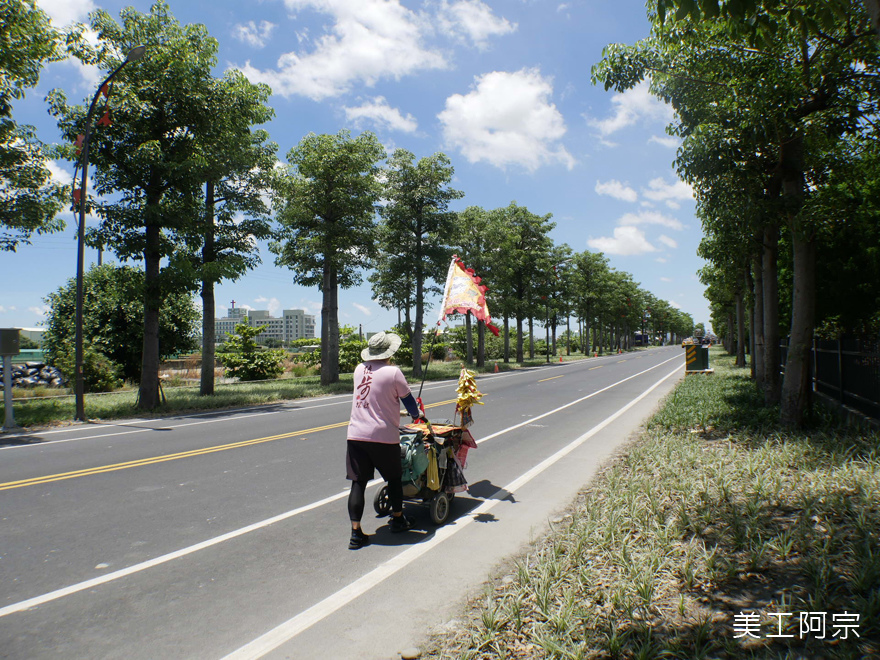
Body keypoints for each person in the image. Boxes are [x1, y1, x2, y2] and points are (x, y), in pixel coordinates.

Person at [346, 331, 425, 549]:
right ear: (388, 352)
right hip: (382, 436)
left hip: (356, 435)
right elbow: (408, 401)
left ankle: (356, 534)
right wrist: (417, 415)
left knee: (358, 483)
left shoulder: (359, 369)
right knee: (394, 478)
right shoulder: (393, 372)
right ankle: (399, 519)